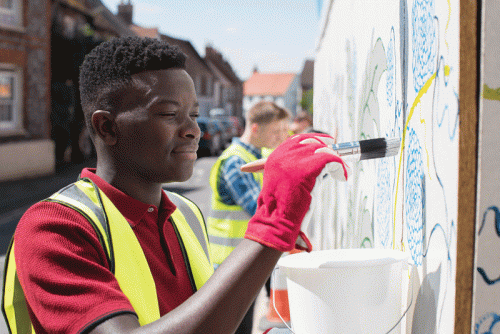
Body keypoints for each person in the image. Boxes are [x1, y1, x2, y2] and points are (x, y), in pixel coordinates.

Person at [2, 36, 349, 334]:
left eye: (194, 115)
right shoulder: (54, 229)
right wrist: (274, 222)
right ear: (107, 128)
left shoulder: (185, 213)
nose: (193, 130)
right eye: (169, 114)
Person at [207, 101, 290, 333]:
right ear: (255, 129)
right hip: (231, 265)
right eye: (276, 131)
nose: (281, 137)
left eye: (284, 131)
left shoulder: (261, 155)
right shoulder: (236, 162)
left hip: (249, 259)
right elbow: (260, 210)